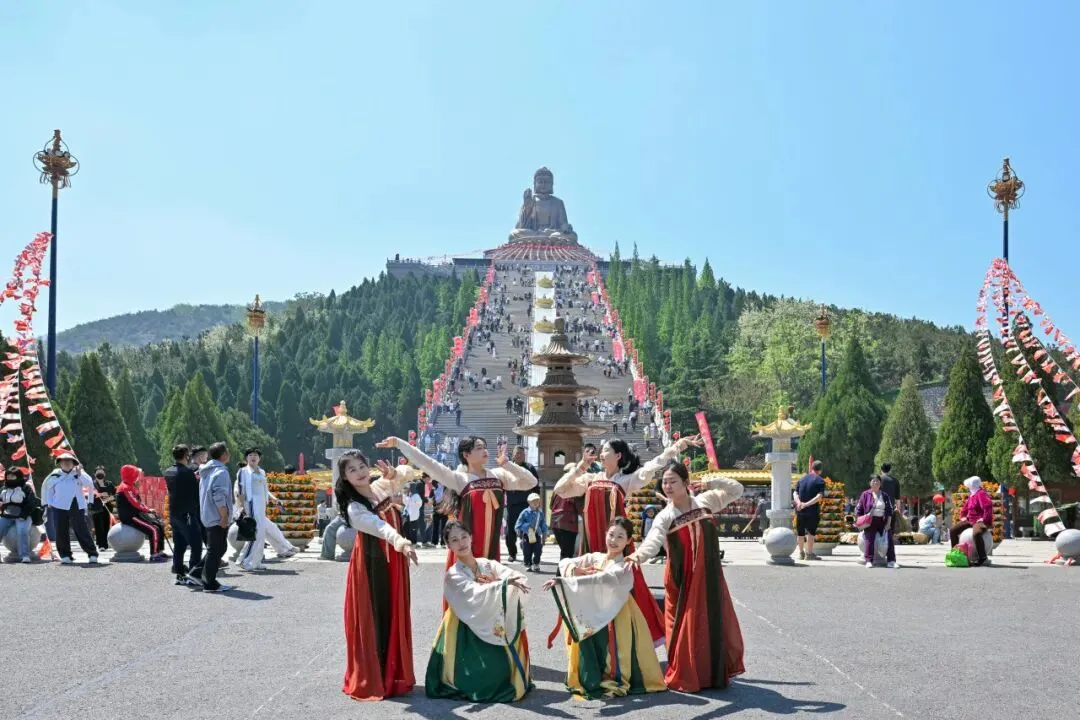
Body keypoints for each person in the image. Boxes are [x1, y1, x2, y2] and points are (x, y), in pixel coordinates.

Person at [553, 435, 704, 643]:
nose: (601, 454)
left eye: (606, 450)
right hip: (592, 541)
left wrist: (677, 446)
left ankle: (629, 637)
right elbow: (560, 490)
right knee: (589, 581)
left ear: (618, 456)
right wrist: (580, 467)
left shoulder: (626, 480)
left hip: (616, 542)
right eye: (601, 451)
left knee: (622, 586)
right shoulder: (589, 479)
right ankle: (590, 634)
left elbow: (653, 465)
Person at [626, 462, 745, 692]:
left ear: (686, 483)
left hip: (708, 575)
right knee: (681, 625)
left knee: (710, 621)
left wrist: (711, 482)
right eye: (664, 482)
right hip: (681, 578)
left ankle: (710, 674)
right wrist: (638, 556)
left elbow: (736, 490)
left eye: (673, 481)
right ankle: (685, 672)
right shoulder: (665, 516)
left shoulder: (706, 501)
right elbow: (653, 541)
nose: (667, 486)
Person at [543, 517, 666, 699]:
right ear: (605, 534)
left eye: (620, 537)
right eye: (611, 534)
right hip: (594, 610)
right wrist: (574, 570)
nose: (613, 540)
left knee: (615, 649)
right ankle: (592, 677)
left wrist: (564, 581)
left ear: (629, 541)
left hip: (617, 614)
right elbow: (566, 562)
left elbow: (601, 579)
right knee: (593, 643)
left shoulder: (624, 566)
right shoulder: (596, 557)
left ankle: (614, 680)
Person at [380, 436, 539, 565]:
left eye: (485, 447)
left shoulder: (498, 475)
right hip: (466, 547)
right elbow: (428, 463)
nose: (485, 450)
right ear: (466, 455)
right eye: (479, 448)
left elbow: (531, 482)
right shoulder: (459, 479)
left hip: (492, 547)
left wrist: (507, 464)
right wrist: (400, 444)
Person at [338, 450, 419, 701]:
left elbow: (409, 472)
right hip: (373, 563)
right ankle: (378, 676)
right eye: (352, 470)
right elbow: (380, 527)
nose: (359, 472)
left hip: (394, 557)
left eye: (361, 466)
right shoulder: (355, 507)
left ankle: (394, 674)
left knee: (394, 610)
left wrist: (394, 473)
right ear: (345, 477)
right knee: (377, 612)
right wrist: (401, 542)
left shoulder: (380, 486)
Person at [425, 521, 533, 703]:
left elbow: (513, 576)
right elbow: (473, 593)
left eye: (464, 537)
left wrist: (507, 582)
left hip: (492, 619)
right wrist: (501, 585)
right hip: (465, 626)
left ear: (471, 537)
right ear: (448, 545)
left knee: (502, 672)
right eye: (454, 540)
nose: (461, 543)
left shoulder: (486, 564)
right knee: (481, 678)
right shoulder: (454, 574)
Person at [236, 447, 297, 571]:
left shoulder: (262, 472)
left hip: (261, 505)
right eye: (250, 455)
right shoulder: (243, 471)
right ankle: (243, 560)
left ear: (259, 458)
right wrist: (242, 507)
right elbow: (240, 491)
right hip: (251, 504)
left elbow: (265, 490)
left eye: (256, 455)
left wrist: (274, 499)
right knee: (256, 533)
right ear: (246, 458)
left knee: (261, 534)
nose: (253, 457)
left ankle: (256, 562)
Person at [189, 442, 234, 592]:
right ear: (224, 455)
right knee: (215, 549)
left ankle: (197, 573)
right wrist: (224, 516)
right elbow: (219, 496)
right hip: (216, 516)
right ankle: (209, 583)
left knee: (219, 548)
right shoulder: (221, 472)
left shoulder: (207, 470)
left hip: (208, 514)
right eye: (227, 452)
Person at [43, 452, 99, 564]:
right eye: (63, 461)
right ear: (60, 463)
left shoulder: (79, 473)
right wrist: (49, 502)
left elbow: (89, 484)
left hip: (76, 504)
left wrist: (80, 474)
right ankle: (65, 555)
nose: (66, 463)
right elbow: (47, 488)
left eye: (69, 461)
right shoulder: (55, 474)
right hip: (58, 505)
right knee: (60, 530)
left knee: (81, 529)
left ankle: (92, 553)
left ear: (74, 463)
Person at [164, 444, 203, 584]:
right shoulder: (187, 473)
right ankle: (194, 574)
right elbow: (196, 493)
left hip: (174, 513)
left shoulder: (168, 471)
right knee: (196, 544)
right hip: (187, 513)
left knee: (179, 545)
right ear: (186, 455)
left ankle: (180, 573)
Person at [115, 464, 169, 562]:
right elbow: (134, 502)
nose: (137, 477)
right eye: (135, 474)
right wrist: (147, 510)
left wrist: (147, 509)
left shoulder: (130, 486)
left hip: (137, 514)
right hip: (130, 516)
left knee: (159, 525)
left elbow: (139, 502)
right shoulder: (125, 487)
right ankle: (154, 554)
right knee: (153, 529)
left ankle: (160, 551)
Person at [854, 475, 898, 569]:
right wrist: (860, 521)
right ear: (870, 483)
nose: (875, 483)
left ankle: (891, 561)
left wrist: (888, 524)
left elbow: (890, 510)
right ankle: (869, 561)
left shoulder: (885, 495)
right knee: (869, 539)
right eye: (873, 481)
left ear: (880, 483)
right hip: (870, 521)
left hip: (882, 520)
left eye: (877, 481)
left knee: (889, 538)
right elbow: (859, 509)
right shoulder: (865, 494)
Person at [505, 445, 539, 563]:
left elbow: (536, 486)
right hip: (512, 504)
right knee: (510, 531)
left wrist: (536, 502)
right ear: (513, 455)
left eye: (522, 453)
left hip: (527, 505)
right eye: (517, 453)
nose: (519, 455)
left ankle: (528, 554)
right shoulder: (508, 468)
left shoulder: (529, 468)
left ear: (525, 456)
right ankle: (512, 553)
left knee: (529, 530)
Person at [950, 476, 993, 567]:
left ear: (974, 485)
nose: (968, 487)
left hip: (980, 520)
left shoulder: (981, 493)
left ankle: (983, 558)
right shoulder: (972, 495)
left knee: (976, 534)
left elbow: (988, 506)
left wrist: (984, 519)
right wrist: (963, 516)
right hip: (970, 520)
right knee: (953, 530)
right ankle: (956, 552)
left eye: (969, 485)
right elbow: (965, 508)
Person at [0, 466, 38, 563]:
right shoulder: (3, 488)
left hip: (22, 515)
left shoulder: (26, 488)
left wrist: (24, 515)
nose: (10, 478)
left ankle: (25, 555)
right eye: (8, 476)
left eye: (13, 476)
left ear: (18, 476)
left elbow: (32, 503)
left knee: (22, 531)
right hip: (6, 515)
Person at [794, 460, 826, 560]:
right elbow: (819, 497)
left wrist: (799, 503)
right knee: (811, 532)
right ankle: (809, 554)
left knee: (800, 532)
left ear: (812, 468)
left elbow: (795, 493)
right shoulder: (820, 481)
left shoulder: (802, 479)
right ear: (820, 470)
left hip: (800, 510)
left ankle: (801, 553)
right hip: (812, 511)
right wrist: (806, 504)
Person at [514, 492, 548, 572]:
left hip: (537, 534)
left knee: (538, 550)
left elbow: (543, 523)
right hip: (527, 534)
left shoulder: (540, 513)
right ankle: (527, 564)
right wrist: (521, 529)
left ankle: (536, 563)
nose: (535, 503)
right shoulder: (525, 512)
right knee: (527, 550)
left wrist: (545, 533)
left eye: (537, 501)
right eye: (533, 501)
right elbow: (518, 523)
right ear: (529, 502)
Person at [88, 466, 115, 551]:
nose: (100, 473)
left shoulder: (109, 483)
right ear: (94, 474)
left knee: (106, 525)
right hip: (96, 507)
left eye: (102, 472)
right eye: (98, 472)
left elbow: (115, 495)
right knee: (98, 526)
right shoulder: (92, 484)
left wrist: (108, 498)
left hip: (108, 507)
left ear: (104, 473)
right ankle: (101, 544)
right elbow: (88, 495)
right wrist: (99, 495)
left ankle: (105, 543)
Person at [878, 463, 902, 534]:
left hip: (878, 509)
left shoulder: (877, 480)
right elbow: (897, 498)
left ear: (881, 470)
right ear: (890, 470)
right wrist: (898, 509)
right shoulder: (895, 481)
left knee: (879, 530)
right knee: (890, 531)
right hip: (891, 509)